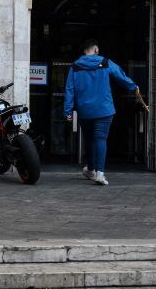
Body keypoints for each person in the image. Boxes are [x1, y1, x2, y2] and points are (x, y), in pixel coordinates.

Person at [63, 39, 148, 186]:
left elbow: (69, 89)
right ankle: (100, 173)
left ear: (84, 51)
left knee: (89, 140)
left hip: (85, 110)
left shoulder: (75, 66)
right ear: (96, 49)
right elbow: (120, 76)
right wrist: (133, 86)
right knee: (100, 139)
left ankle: (91, 170)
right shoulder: (106, 62)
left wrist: (68, 110)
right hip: (104, 109)